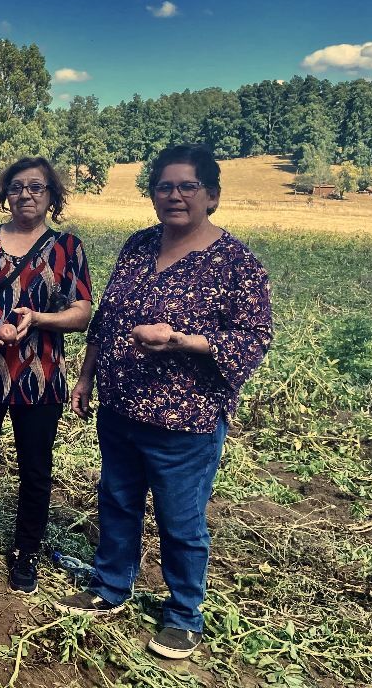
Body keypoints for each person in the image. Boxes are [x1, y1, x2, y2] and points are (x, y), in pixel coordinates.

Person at [53, 145, 272, 660]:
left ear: (212, 196)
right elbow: (106, 319)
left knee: (181, 519)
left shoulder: (235, 263)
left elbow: (253, 337)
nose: (174, 195)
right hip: (120, 407)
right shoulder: (138, 245)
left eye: (187, 186)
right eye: (164, 186)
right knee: (118, 501)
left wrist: (181, 341)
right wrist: (85, 378)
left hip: (186, 418)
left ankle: (183, 615)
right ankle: (111, 587)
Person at [0, 157, 93, 594]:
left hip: (39, 373)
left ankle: (25, 550)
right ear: (4, 193)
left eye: (36, 187)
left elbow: (82, 313)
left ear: (52, 196)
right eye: (17, 187)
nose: (26, 195)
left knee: (35, 465)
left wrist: (41, 318)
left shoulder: (68, 247)